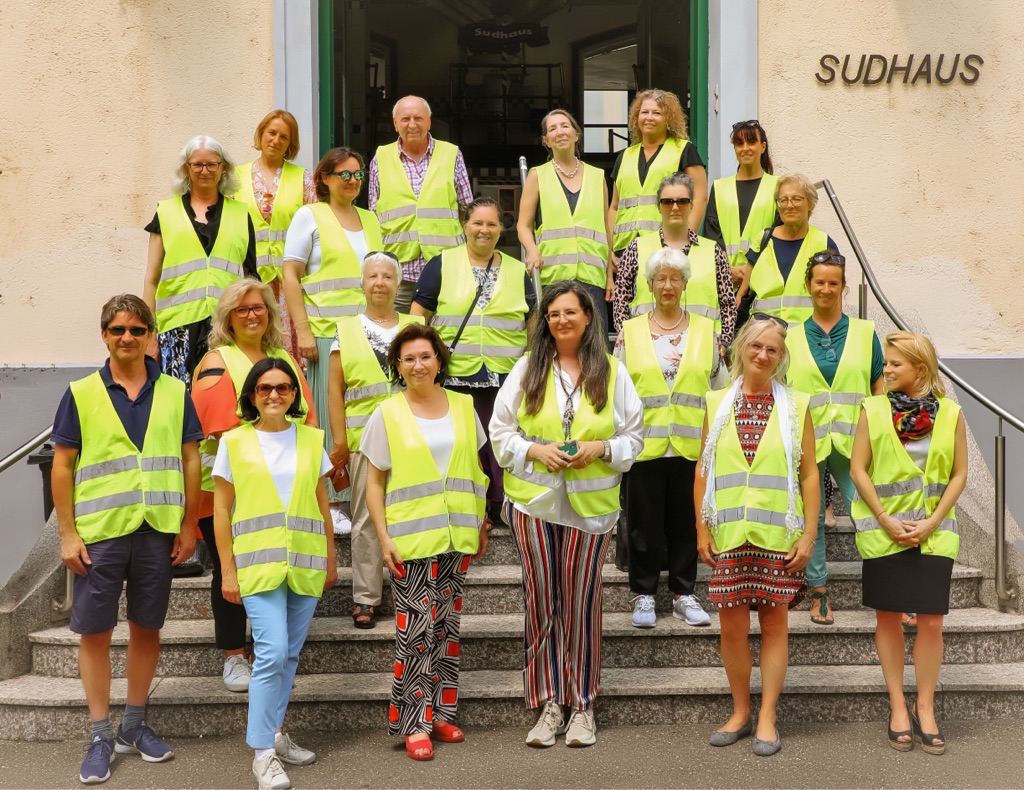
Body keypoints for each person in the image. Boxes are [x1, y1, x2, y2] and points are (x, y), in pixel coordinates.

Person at [50, 294, 202, 785]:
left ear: (150, 335)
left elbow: (191, 460)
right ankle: (100, 734)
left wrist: (187, 525)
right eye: (118, 330)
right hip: (100, 536)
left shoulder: (177, 392)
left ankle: (134, 725)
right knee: (94, 633)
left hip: (157, 529)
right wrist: (67, 534)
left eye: (137, 330)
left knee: (146, 627)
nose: (127, 338)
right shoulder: (81, 392)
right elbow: (63, 465)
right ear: (104, 335)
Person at [490, 280, 644, 748]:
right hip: (533, 507)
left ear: (589, 317)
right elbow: (500, 433)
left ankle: (582, 704)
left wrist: (602, 447)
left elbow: (634, 439)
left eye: (570, 312)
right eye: (553, 314)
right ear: (545, 322)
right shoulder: (527, 368)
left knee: (580, 606)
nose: (561, 320)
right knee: (541, 604)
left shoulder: (613, 372)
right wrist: (534, 449)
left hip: (590, 512)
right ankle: (548, 703)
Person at [361, 324, 490, 761]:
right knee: (414, 631)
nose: (418, 365)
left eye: (426, 356)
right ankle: (413, 720)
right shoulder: (387, 412)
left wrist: (483, 523)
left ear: (440, 361)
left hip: (457, 536)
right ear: (398, 366)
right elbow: (374, 483)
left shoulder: (464, 405)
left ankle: (439, 712)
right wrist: (382, 537)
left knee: (445, 629)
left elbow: (474, 468)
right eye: (409, 358)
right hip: (409, 539)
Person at [694, 314, 819, 757]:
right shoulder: (716, 402)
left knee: (774, 624)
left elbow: (808, 474)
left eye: (773, 349)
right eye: (756, 347)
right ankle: (740, 711)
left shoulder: (797, 404)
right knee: (730, 628)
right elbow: (704, 467)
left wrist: (808, 536)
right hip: (729, 533)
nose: (763, 355)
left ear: (782, 357)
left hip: (776, 534)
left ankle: (767, 715)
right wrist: (701, 526)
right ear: (741, 349)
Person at [212, 358, 337, 790]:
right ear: (251, 395)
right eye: (265, 388)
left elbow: (322, 504)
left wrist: (331, 558)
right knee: (271, 652)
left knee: (288, 655)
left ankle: (278, 735)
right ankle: (262, 754)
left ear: (294, 395)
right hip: (257, 563)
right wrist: (227, 569)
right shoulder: (233, 442)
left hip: (305, 561)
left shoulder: (311, 439)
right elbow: (221, 511)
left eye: (284, 388)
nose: (274, 395)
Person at [191, 280, 316, 691]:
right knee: (229, 572)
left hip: (282, 487)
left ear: (270, 313)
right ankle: (233, 655)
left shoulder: (284, 359)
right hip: (227, 489)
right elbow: (219, 427)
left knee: (277, 569)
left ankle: (269, 651)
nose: (251, 315)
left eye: (259, 307)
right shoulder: (215, 360)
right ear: (228, 316)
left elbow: (307, 418)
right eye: (242, 309)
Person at [849, 332, 967, 756]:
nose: (888, 368)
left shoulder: (951, 413)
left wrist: (933, 521)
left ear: (921, 368)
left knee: (931, 622)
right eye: (887, 362)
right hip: (885, 533)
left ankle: (926, 707)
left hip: (934, 534)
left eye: (897, 363)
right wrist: (884, 518)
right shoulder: (872, 409)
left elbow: (958, 475)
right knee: (889, 618)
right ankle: (898, 705)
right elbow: (858, 469)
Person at [617, 248, 727, 629]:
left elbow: (720, 389)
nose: (667, 285)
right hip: (643, 445)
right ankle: (644, 595)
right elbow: (618, 391)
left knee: (686, 521)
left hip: (690, 444)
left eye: (674, 279)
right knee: (642, 524)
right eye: (660, 278)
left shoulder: (705, 331)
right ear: (649, 284)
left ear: (684, 284)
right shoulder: (629, 333)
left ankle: (684, 593)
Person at [412, 197, 537, 524]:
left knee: (501, 442)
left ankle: (502, 506)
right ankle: (468, 506)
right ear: (465, 225)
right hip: (456, 376)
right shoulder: (441, 264)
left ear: (501, 229)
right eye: (477, 223)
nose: (484, 230)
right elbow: (417, 318)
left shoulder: (516, 270)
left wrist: (531, 362)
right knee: (465, 444)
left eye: (492, 224)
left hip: (505, 377)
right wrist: (424, 363)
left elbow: (533, 321)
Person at [283, 146, 382, 529]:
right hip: (324, 332)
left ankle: (362, 491)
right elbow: (290, 274)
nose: (353, 180)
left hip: (364, 332)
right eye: (344, 174)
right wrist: (302, 330)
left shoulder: (371, 220)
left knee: (360, 413)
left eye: (358, 174)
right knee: (327, 414)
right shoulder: (310, 215)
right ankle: (334, 500)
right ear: (324, 178)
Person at [326, 251, 424, 630]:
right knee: (365, 518)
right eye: (373, 276)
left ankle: (411, 591)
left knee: (411, 513)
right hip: (363, 438)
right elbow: (335, 392)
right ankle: (366, 597)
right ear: (362, 283)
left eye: (387, 276)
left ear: (397, 283)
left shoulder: (416, 324)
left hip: (412, 434)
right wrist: (338, 443)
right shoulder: (345, 329)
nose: (380, 282)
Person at [785, 251, 884, 625]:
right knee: (813, 518)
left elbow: (878, 385)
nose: (826, 289)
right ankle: (820, 594)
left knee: (869, 511)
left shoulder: (865, 331)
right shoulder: (791, 336)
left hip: (856, 439)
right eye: (819, 282)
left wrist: (880, 435)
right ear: (808, 286)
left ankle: (892, 588)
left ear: (844, 287)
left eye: (833, 283)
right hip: (809, 440)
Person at [142, 135, 257, 385]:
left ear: (223, 168)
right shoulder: (166, 211)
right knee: (178, 405)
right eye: (198, 165)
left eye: (212, 164)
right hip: (177, 330)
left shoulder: (241, 214)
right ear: (187, 169)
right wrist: (150, 335)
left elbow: (251, 279)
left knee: (225, 402)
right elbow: (151, 281)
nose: (205, 171)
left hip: (228, 329)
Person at [368, 95, 474, 313]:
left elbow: (468, 210)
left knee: (445, 336)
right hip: (399, 273)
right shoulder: (380, 158)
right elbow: (373, 216)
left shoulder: (451, 154)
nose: (412, 124)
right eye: (405, 119)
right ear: (395, 123)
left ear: (429, 122)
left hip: (445, 268)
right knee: (399, 339)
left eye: (419, 118)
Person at [611, 173, 737, 348]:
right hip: (646, 349)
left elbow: (728, 303)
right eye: (667, 201)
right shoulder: (636, 249)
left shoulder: (713, 251)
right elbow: (620, 301)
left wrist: (724, 342)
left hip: (702, 349)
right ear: (659, 207)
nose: (675, 207)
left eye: (682, 201)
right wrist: (627, 337)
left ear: (691, 205)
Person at [516, 109, 615, 327]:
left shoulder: (597, 176)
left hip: (592, 278)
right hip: (553, 276)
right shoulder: (537, 175)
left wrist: (609, 276)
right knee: (557, 342)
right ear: (546, 141)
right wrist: (532, 251)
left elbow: (606, 229)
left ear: (576, 135)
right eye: (552, 129)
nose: (560, 132)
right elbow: (523, 226)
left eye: (565, 126)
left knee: (594, 345)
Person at [234, 110, 318, 356]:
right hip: (248, 276)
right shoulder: (235, 178)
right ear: (260, 135)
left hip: (290, 279)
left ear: (290, 144)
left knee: (288, 349)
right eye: (271, 133)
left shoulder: (303, 179)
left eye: (284, 136)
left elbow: (315, 227)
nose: (276, 140)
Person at [608, 89, 708, 258]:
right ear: (636, 117)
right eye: (644, 112)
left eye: (657, 113)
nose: (649, 117)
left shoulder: (684, 150)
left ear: (668, 118)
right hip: (623, 252)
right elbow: (614, 207)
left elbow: (700, 197)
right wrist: (609, 250)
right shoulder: (624, 157)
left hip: (666, 247)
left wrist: (684, 241)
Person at [739, 173, 838, 327]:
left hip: (806, 338)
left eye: (797, 199)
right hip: (763, 339)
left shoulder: (824, 243)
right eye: (783, 200)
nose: (789, 205)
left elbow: (834, 298)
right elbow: (743, 294)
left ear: (810, 203)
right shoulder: (763, 239)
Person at [703, 120, 780, 301]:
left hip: (763, 283)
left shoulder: (778, 186)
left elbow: (779, 234)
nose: (745, 148)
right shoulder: (720, 187)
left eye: (751, 142)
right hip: (725, 283)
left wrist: (750, 271)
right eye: (739, 143)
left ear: (762, 147)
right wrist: (728, 270)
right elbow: (712, 235)